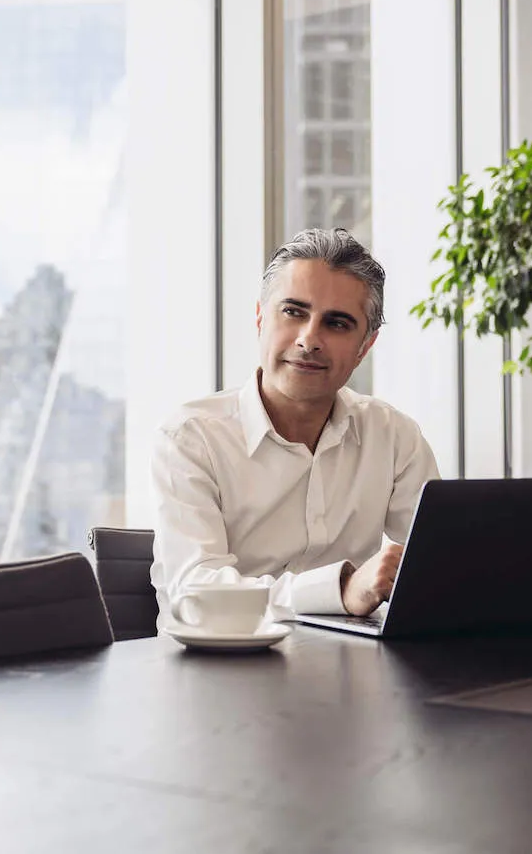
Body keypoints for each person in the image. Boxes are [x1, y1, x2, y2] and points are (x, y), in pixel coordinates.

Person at [151, 227, 440, 622]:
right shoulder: (190, 438)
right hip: (219, 673)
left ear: (365, 347)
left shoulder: (394, 437)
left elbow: (445, 568)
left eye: (337, 323)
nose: (309, 339)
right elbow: (199, 595)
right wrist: (339, 591)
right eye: (293, 312)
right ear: (259, 319)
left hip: (352, 670)